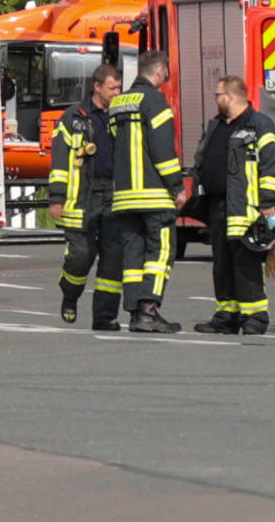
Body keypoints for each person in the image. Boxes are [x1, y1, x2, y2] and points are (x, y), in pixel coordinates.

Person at [191, 79, 275, 336]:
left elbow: (270, 165)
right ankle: (226, 316)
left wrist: (267, 202)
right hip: (217, 206)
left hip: (246, 209)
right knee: (222, 264)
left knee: (246, 265)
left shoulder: (259, 125)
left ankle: (254, 318)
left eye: (218, 94)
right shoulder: (217, 125)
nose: (215, 98)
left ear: (231, 97)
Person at [98, 54, 184, 334]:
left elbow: (114, 144)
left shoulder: (118, 102)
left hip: (124, 195)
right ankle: (149, 310)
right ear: (159, 71)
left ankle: (136, 312)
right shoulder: (156, 102)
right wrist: (177, 186)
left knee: (133, 256)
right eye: (165, 74)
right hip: (154, 195)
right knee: (160, 253)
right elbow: (162, 150)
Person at [46, 65, 106, 324]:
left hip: (112, 196)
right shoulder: (73, 118)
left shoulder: (120, 115)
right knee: (82, 256)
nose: (118, 92)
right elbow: (59, 160)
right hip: (80, 198)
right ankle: (70, 295)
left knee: (113, 260)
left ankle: (105, 315)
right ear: (98, 86)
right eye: (113, 87)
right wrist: (57, 197)